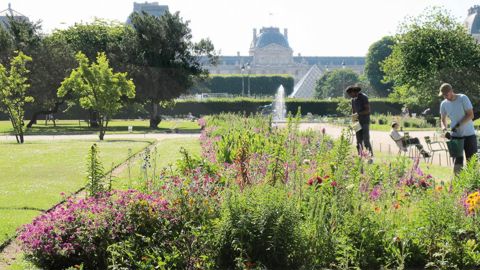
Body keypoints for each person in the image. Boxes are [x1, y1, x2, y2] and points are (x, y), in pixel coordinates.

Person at [439, 83, 477, 174]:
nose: (445, 97)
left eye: (446, 94)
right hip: (455, 137)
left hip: (469, 136)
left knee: (472, 163)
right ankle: (458, 185)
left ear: (451, 91)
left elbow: (470, 115)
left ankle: (473, 186)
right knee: (457, 164)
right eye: (443, 95)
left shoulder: (463, 98)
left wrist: (458, 125)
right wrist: (444, 129)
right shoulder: (444, 104)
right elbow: (442, 120)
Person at [345, 85, 373, 158]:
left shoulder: (364, 97)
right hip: (357, 123)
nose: (349, 96)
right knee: (358, 141)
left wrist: (358, 114)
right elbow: (353, 111)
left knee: (366, 140)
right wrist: (353, 122)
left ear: (354, 92)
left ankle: (370, 156)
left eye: (350, 94)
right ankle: (360, 155)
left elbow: (368, 110)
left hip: (365, 121)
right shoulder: (353, 100)